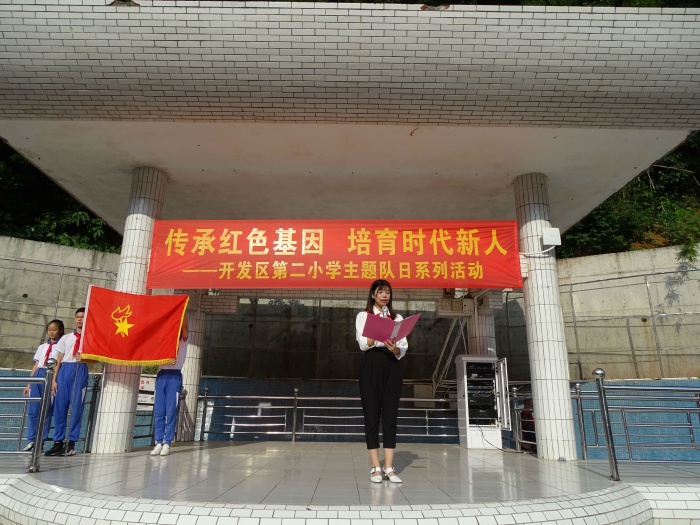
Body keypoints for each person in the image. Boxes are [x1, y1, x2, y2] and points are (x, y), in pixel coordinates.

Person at [355, 279, 408, 483]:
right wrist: (377, 331)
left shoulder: (397, 317)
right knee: (371, 416)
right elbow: (363, 344)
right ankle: (376, 467)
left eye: (388, 292)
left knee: (390, 417)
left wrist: (395, 348)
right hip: (371, 365)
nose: (385, 295)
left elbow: (402, 348)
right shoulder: (364, 316)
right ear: (373, 295)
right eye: (380, 292)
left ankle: (389, 467)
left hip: (391, 365)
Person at [46, 308, 87, 457]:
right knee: (59, 408)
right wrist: (54, 380)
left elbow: (96, 359)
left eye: (82, 317)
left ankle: (71, 443)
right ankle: (58, 442)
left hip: (80, 369)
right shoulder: (66, 338)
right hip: (64, 370)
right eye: (77, 317)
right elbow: (59, 359)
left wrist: (86, 358)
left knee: (76, 408)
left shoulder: (90, 337)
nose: (79, 319)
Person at [22, 319, 65, 451]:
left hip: (50, 374)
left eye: (54, 330)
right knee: (33, 410)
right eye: (49, 330)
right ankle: (32, 439)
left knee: (46, 410)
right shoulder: (42, 347)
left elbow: (59, 364)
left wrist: (54, 380)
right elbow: (36, 365)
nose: (51, 332)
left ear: (60, 331)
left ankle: (41, 440)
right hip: (38, 375)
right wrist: (29, 383)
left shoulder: (61, 346)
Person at [151, 313, 188, 457]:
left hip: (174, 376)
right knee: (159, 411)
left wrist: (183, 309)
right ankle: (158, 442)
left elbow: (185, 327)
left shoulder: (182, 342)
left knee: (171, 411)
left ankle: (167, 443)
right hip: (161, 376)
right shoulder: (162, 342)